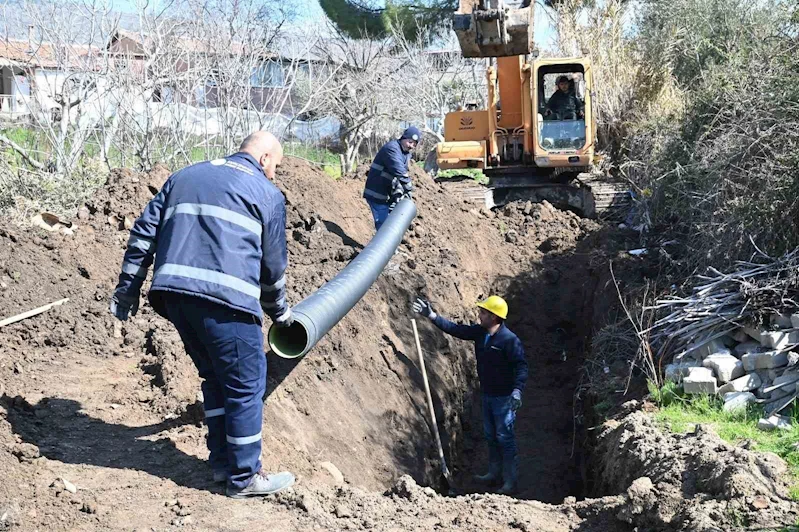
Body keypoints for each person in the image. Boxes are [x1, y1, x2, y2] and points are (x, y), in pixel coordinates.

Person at [109, 131, 296, 499]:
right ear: (263, 158)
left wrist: (127, 291)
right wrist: (280, 314)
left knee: (214, 377)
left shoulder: (184, 175)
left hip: (175, 298)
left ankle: (221, 465)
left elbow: (144, 233)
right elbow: (272, 268)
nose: (274, 174)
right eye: (275, 165)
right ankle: (244, 478)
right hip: (225, 302)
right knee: (246, 384)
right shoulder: (267, 194)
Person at [413, 295, 528, 495]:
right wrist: (432, 316)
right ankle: (493, 472)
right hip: (486, 396)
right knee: (491, 436)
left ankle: (510, 482)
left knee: (505, 438)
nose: (479, 314)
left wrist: (517, 391)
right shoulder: (480, 333)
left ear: (494, 317)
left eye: (483, 312)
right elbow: (456, 330)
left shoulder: (509, 340)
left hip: (504, 399)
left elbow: (521, 367)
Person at [363, 126, 421, 231]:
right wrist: (408, 187)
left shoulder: (405, 153)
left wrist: (399, 191)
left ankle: (391, 247)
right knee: (383, 225)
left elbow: (399, 175)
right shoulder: (392, 149)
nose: (412, 146)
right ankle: (381, 247)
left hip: (386, 194)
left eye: (414, 144)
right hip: (376, 193)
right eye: (410, 142)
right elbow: (399, 170)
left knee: (389, 223)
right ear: (403, 138)